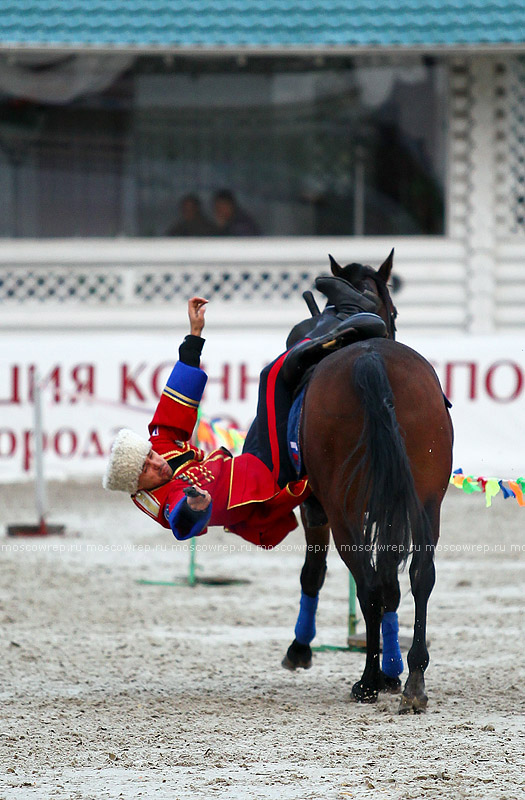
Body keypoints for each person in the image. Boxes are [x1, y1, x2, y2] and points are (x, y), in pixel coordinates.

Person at [103, 283, 386, 549]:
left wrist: (194, 334)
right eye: (146, 469)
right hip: (266, 480)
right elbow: (178, 519)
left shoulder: (160, 447)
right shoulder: (159, 499)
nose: (156, 462)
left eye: (149, 455)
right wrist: (194, 507)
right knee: (271, 376)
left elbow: (177, 397)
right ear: (137, 488)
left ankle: (332, 316)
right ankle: (346, 313)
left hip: (248, 461)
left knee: (280, 391)